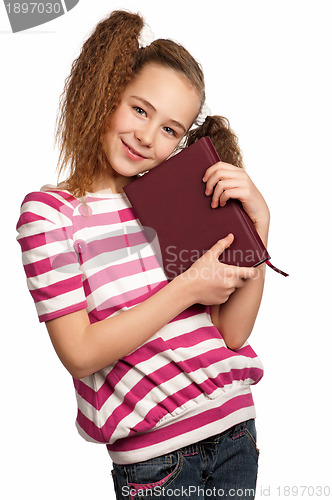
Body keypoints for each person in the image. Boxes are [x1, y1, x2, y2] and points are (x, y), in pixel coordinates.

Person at [16, 10, 270, 500]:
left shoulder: (174, 198)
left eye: (172, 129)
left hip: (238, 432)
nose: (148, 137)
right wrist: (187, 288)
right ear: (108, 95)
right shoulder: (51, 215)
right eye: (140, 110)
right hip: (159, 459)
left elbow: (232, 332)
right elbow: (80, 352)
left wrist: (258, 231)